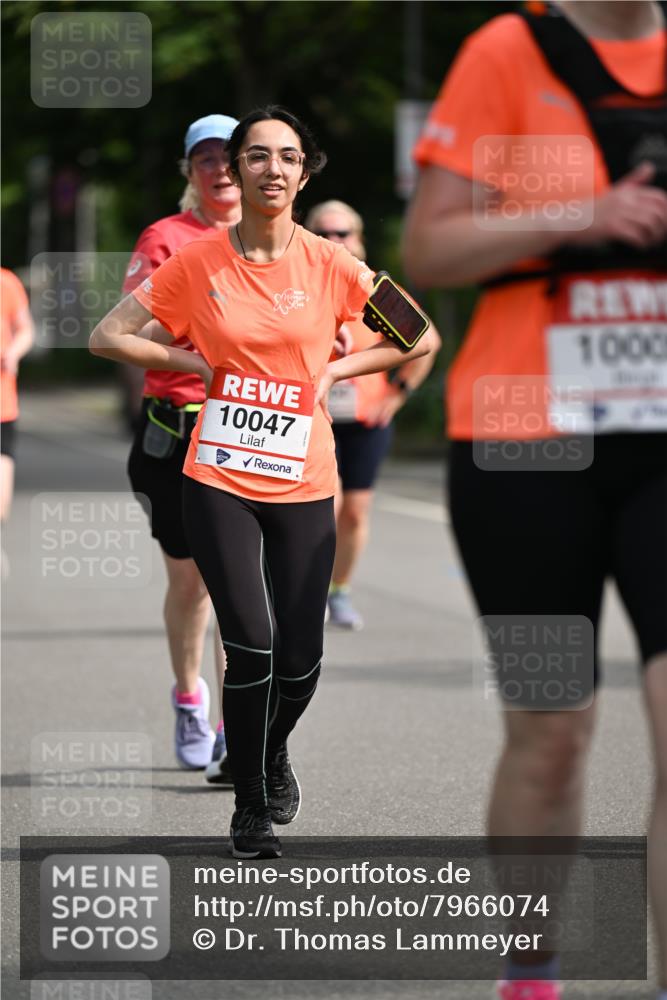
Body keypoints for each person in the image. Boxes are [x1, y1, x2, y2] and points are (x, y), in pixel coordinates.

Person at [403, 3, 667, 998]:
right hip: (527, 446)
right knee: (551, 734)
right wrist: (579, 214)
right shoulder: (506, 53)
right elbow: (427, 250)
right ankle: (530, 969)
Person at [91, 106, 437, 859]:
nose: (270, 168)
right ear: (237, 172)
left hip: (304, 477)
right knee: (249, 645)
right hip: (216, 473)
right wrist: (199, 366)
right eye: (255, 156)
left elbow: (420, 334)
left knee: (301, 658)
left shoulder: (333, 264)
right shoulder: (196, 260)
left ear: (303, 173)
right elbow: (106, 334)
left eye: (286, 156)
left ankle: (272, 747)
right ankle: (249, 802)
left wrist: (334, 370)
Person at [123, 114, 241, 782]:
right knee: (191, 583)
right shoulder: (166, 238)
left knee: (240, 585)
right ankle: (190, 697)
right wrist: (205, 358)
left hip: (253, 429)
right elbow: (130, 328)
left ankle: (236, 725)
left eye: (234, 155)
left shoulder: (277, 239)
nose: (221, 168)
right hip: (177, 426)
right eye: (206, 158)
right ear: (189, 172)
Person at [304, 200, 441, 630]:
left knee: (356, 512)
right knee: (328, 504)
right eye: (324, 233)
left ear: (358, 239)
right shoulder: (297, 286)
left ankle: (338, 591)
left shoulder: (373, 289)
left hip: (366, 419)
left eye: (343, 233)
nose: (334, 240)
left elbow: (427, 339)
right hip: (313, 418)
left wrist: (397, 393)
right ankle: (305, 590)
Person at [1, 268, 34, 576]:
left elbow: (25, 328)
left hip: (3, 406)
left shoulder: (7, 282)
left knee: (1, 500)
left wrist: (13, 352)